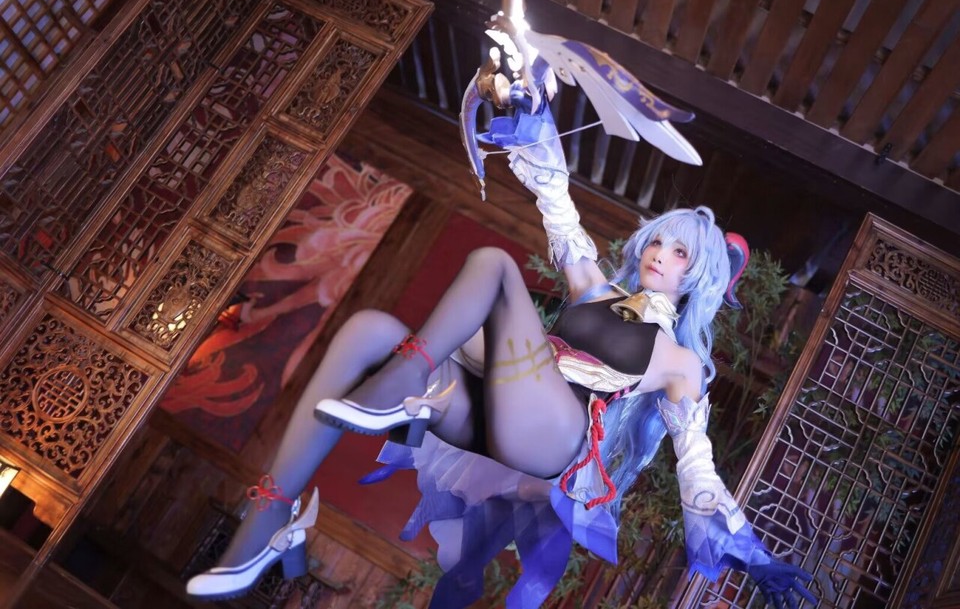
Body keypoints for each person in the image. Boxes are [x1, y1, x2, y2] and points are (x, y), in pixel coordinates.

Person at [185, 94, 815, 609]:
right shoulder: (593, 287)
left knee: (493, 265)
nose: (660, 255)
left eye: (681, 254)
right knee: (367, 330)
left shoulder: (681, 363)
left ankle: (392, 393)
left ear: (697, 277)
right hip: (501, 409)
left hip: (556, 439)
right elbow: (557, 203)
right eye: (660, 241)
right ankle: (266, 524)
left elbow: (697, 468)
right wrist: (529, 109)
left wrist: (753, 555)